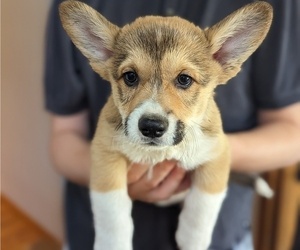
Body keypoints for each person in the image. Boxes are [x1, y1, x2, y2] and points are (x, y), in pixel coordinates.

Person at [44, 0, 300, 249]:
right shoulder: (111, 121)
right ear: (104, 56)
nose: (153, 112)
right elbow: (66, 138)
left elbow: (291, 133)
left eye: (184, 80)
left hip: (223, 237)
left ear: (224, 58)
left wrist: (195, 233)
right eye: (131, 77)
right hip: (88, 233)